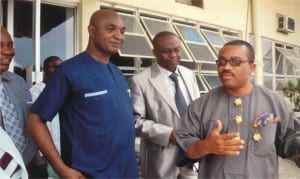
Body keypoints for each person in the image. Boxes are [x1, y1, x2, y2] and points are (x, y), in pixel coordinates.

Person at [26, 9, 138, 178]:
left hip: (127, 173)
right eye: (110, 29)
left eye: (122, 31)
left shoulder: (117, 72)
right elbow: (35, 120)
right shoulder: (69, 71)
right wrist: (62, 169)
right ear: (92, 31)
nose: (119, 36)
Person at [175, 40, 300, 179]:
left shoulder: (275, 103)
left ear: (252, 67)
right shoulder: (201, 106)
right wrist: (206, 146)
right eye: (221, 62)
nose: (226, 67)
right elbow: (184, 150)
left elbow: (290, 142)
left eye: (236, 61)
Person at [129, 31, 199, 179]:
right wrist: (169, 134)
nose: (173, 55)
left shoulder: (189, 74)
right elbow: (135, 121)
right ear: (155, 52)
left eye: (177, 50)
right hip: (161, 161)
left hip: (193, 156)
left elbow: (198, 111)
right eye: (166, 51)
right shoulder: (140, 80)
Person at [0, 26, 36, 166]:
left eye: (10, 45)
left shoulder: (18, 82)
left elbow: (30, 125)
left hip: (25, 166)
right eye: (0, 46)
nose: (9, 52)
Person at [29, 56, 63, 178]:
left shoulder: (64, 91)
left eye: (61, 67)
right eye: (54, 66)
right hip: (44, 156)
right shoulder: (35, 92)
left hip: (63, 154)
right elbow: (33, 124)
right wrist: (40, 154)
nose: (59, 69)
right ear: (45, 69)